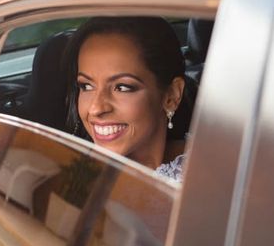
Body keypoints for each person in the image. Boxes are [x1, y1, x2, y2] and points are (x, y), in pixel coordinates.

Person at [65, 16, 187, 182]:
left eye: (122, 87)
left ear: (171, 96)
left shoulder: (209, 174)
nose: (96, 108)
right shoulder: (68, 178)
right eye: (86, 86)